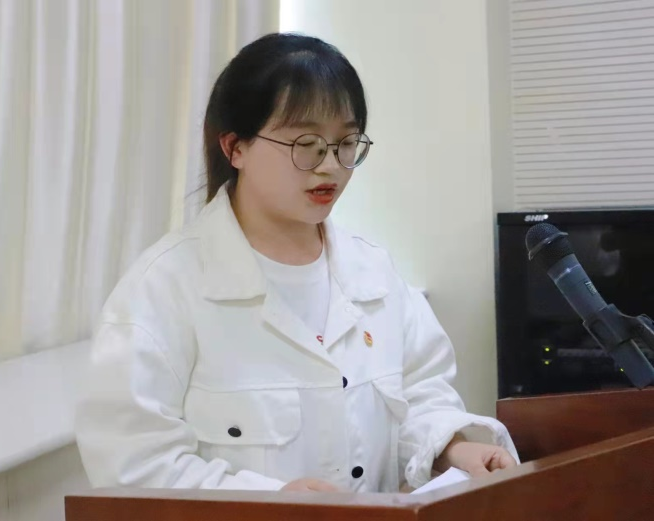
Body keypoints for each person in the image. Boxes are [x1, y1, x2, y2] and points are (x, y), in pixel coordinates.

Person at [75, 32, 518, 494]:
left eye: (346, 142)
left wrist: (451, 447)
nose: (330, 165)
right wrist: (271, 503)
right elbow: (134, 465)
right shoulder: (164, 288)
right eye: (306, 143)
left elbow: (421, 395)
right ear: (235, 147)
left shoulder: (374, 273)